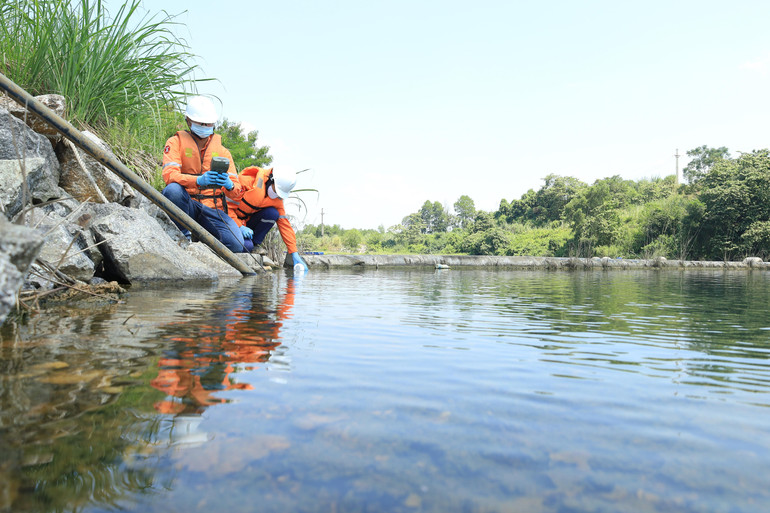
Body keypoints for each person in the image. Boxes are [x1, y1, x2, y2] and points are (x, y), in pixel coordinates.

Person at [161, 96, 244, 252]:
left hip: (213, 210)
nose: (205, 126)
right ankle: (183, 240)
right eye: (201, 123)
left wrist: (230, 184)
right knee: (172, 190)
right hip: (187, 204)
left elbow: (237, 194)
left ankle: (204, 244)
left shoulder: (224, 152)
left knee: (237, 245)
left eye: (208, 123)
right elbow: (169, 175)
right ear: (188, 121)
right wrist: (198, 180)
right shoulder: (175, 142)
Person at [226, 166, 308, 271]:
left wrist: (294, 253)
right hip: (230, 220)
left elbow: (285, 226)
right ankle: (244, 244)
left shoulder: (277, 201)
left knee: (272, 213)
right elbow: (224, 207)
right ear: (271, 179)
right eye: (277, 190)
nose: (277, 195)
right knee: (246, 246)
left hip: (246, 226)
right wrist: (239, 226)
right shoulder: (247, 181)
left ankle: (254, 244)